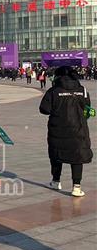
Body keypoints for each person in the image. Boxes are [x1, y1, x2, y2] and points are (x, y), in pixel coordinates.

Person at [40, 66, 92, 197]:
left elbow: (44, 109)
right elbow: (87, 108)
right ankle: (77, 187)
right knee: (77, 156)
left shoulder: (54, 91)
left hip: (58, 129)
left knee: (56, 155)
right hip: (78, 129)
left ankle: (56, 181)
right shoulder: (82, 90)